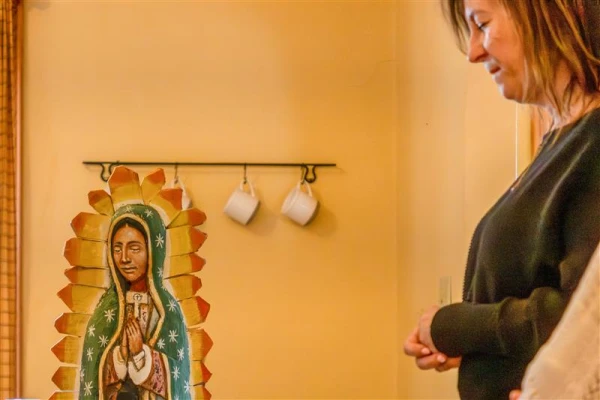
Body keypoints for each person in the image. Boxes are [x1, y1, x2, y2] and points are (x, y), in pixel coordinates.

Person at [403, 0, 600, 399]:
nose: (474, 52)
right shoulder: (562, 140)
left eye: (482, 24)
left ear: (545, 13)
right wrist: (480, 352)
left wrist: (454, 326)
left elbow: (580, 319)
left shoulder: (592, 145)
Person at [79, 207, 192, 399]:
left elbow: (178, 375)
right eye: (117, 249)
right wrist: (120, 357)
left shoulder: (167, 311)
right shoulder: (107, 309)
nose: (124, 258)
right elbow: (93, 374)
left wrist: (141, 355)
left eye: (134, 248)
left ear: (153, 251)